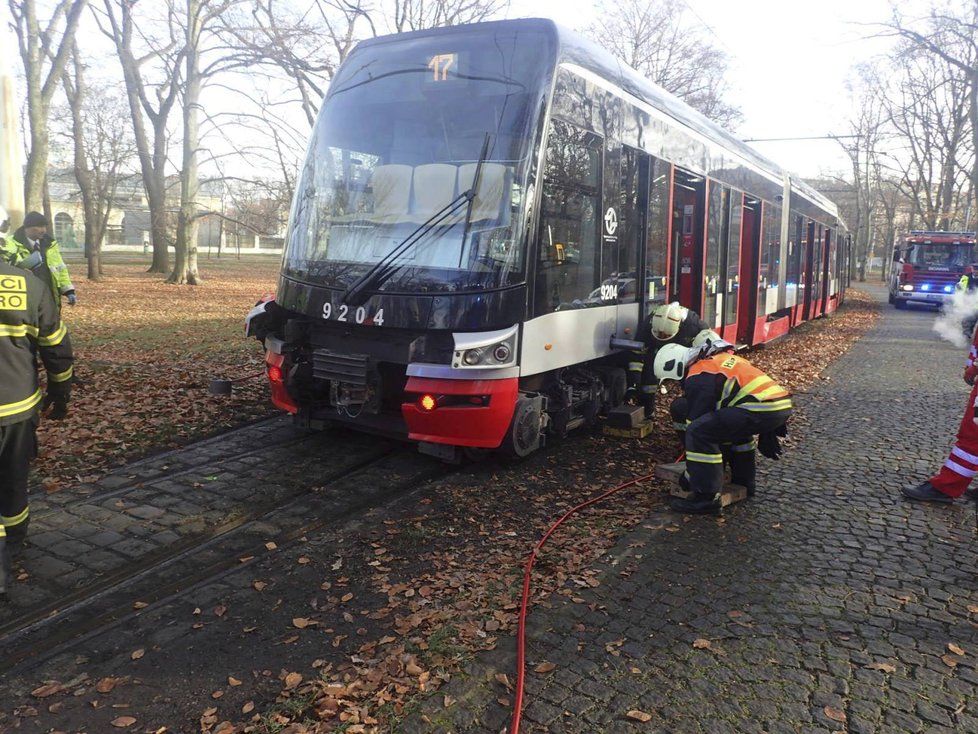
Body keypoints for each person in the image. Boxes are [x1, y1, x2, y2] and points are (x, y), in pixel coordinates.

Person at [0, 217, 74, 596]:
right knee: (11, 474)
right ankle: (13, 538)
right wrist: (60, 395)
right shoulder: (27, 285)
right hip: (14, 405)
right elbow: (56, 348)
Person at [653, 341, 792, 514]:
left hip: (759, 407)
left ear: (677, 367)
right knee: (735, 431)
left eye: (674, 379)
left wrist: (690, 476)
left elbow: (696, 430)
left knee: (698, 432)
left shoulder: (698, 377)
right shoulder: (716, 360)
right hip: (778, 404)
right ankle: (744, 482)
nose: (677, 384)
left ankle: (706, 498)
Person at [626, 301, 716, 419]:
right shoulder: (648, 324)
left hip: (686, 353)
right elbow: (636, 353)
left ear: (678, 327)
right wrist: (634, 381)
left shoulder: (693, 324)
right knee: (648, 380)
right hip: (656, 350)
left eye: (666, 336)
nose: (662, 337)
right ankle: (647, 412)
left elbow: (710, 343)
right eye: (659, 335)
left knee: (691, 382)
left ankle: (693, 413)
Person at [2, 211, 76, 311]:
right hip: (24, 296)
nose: (44, 230)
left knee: (50, 323)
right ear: (27, 227)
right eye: (40, 227)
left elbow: (60, 269)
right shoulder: (8, 244)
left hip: (49, 295)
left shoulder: (50, 245)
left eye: (45, 227)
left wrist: (69, 291)